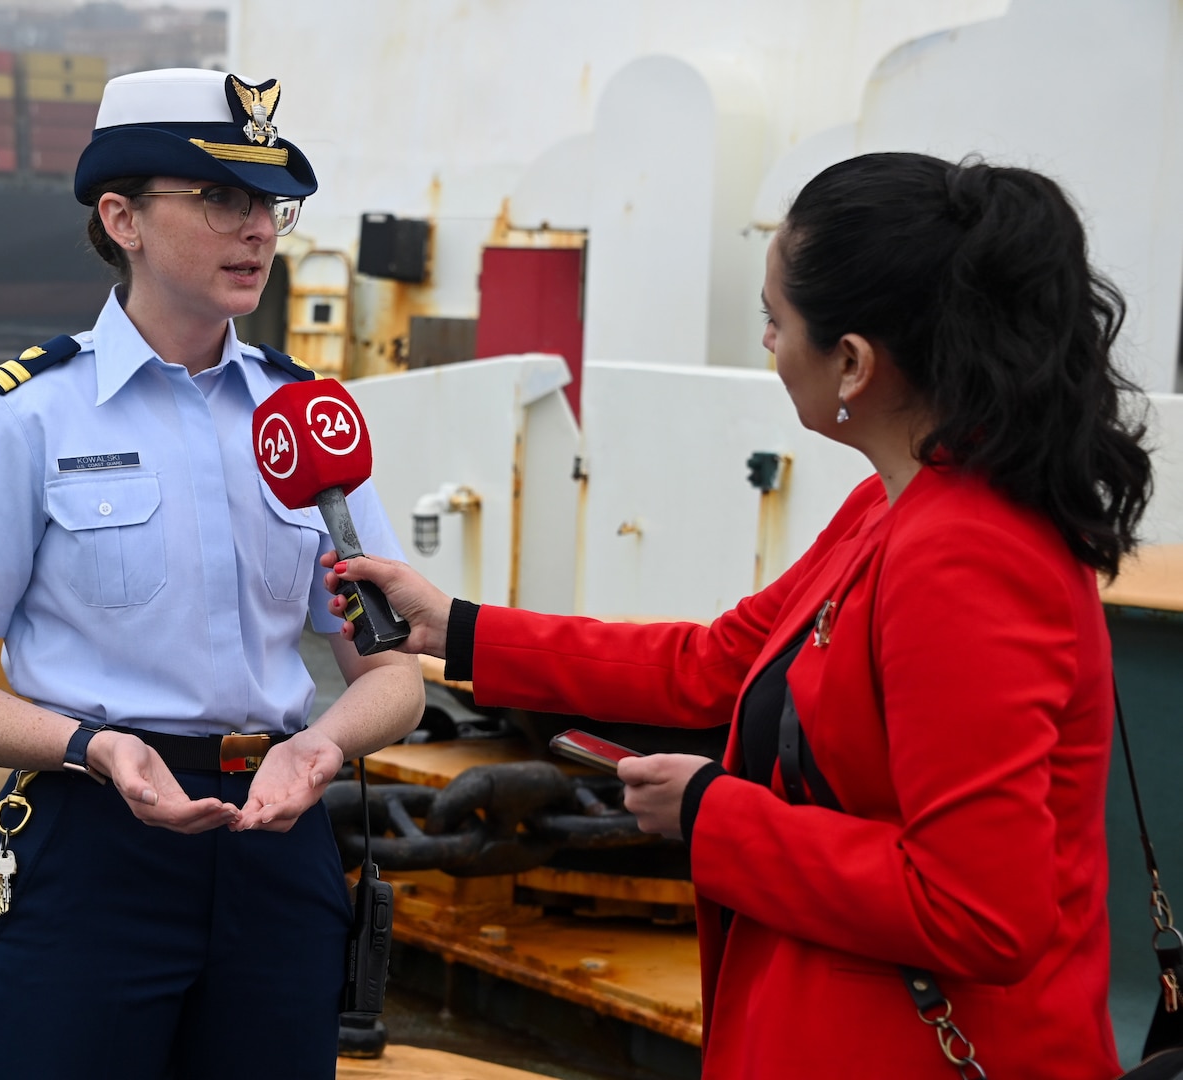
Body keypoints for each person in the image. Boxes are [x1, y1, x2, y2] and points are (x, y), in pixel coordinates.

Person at [329, 152, 1152, 1079]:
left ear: (853, 361)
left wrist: (711, 814)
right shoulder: (895, 510)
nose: (767, 344)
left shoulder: (963, 554)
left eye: (776, 320)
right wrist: (460, 628)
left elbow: (976, 909)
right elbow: (716, 664)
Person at [0, 67, 424, 1079]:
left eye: (269, 202)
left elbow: (390, 672)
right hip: (92, 850)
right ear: (121, 216)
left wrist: (317, 754)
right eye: (222, 198)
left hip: (280, 840)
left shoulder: (304, 415)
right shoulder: (30, 416)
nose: (258, 228)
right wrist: (98, 751)